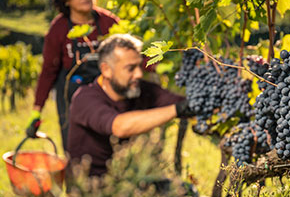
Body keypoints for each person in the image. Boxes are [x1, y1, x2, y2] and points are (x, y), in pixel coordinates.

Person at [66, 34, 194, 177]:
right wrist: (177, 110)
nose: (139, 74)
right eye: (130, 68)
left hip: (126, 179)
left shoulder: (141, 89)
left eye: (139, 66)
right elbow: (119, 126)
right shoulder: (85, 98)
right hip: (90, 188)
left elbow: (180, 102)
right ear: (106, 70)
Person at [26, 0, 119, 150]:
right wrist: (37, 110)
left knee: (109, 147)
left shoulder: (108, 22)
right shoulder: (59, 29)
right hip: (71, 99)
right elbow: (48, 71)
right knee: (76, 148)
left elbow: (134, 55)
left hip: (106, 95)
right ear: (66, 0)